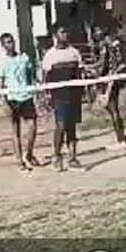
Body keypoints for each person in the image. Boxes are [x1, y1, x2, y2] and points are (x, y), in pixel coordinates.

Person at [41, 25, 85, 172]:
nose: (65, 34)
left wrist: (83, 91)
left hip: (74, 95)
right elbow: (45, 77)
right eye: (62, 32)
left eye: (66, 31)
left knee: (72, 126)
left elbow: (80, 73)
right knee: (60, 125)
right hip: (59, 96)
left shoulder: (74, 53)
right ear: (56, 35)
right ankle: (57, 156)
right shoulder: (50, 55)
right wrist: (46, 96)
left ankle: (73, 158)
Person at [0, 32, 41, 171]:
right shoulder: (1, 62)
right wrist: (3, 101)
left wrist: (36, 87)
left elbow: (31, 75)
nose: (10, 44)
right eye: (7, 42)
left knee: (32, 127)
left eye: (11, 41)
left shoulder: (23, 58)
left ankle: (29, 154)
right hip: (12, 99)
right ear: (3, 46)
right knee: (16, 131)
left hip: (26, 96)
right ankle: (19, 160)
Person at [96, 23, 126, 149]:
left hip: (112, 77)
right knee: (112, 107)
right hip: (122, 75)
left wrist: (96, 73)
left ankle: (121, 139)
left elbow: (104, 64)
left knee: (112, 107)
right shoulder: (122, 43)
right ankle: (122, 131)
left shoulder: (107, 45)